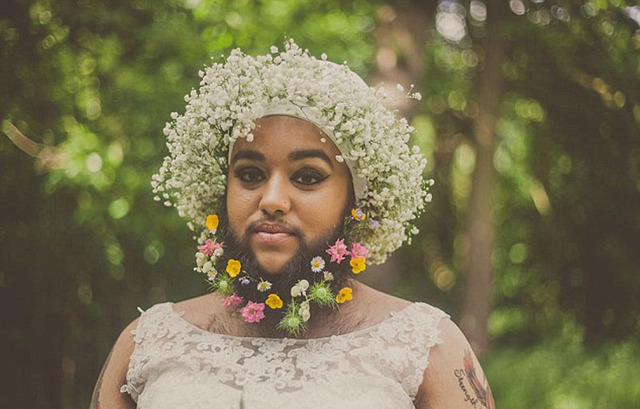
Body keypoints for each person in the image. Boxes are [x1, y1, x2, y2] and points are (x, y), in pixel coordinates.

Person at [91, 40, 494, 409]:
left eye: (307, 177)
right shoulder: (146, 342)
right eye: (249, 174)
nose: (271, 200)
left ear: (354, 202)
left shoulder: (426, 346)